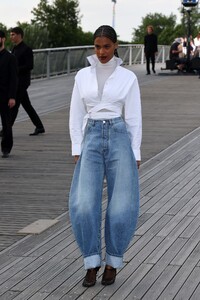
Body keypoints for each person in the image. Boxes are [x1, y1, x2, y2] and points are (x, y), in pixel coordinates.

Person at [69, 25, 142, 287]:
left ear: (116, 45)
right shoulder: (82, 76)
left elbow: (133, 117)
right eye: (97, 47)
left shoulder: (128, 77)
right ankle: (91, 262)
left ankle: (112, 261)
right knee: (82, 204)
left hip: (119, 136)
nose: (101, 52)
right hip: (90, 138)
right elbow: (76, 114)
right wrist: (77, 147)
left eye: (107, 47)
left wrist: (136, 152)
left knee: (123, 204)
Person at [9, 27, 45, 136]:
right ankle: (39, 126)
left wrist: (15, 69)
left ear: (19, 35)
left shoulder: (26, 49)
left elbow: (30, 65)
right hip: (16, 81)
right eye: (11, 35)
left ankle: (6, 129)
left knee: (14, 106)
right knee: (27, 105)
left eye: (13, 34)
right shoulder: (14, 49)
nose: (11, 37)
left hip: (22, 82)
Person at [0, 30, 17, 158]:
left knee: (6, 123)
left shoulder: (10, 57)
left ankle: (6, 147)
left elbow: (13, 78)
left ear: (3, 39)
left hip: (5, 95)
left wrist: (12, 97)